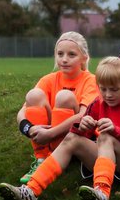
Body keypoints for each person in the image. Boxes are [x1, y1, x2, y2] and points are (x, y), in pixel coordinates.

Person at [0, 53, 120, 200]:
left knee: (106, 136)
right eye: (103, 89)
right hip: (107, 158)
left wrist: (116, 131)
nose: (108, 95)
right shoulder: (98, 102)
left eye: (114, 90)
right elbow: (83, 133)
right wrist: (82, 127)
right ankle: (31, 190)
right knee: (72, 138)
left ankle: (102, 193)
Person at [15, 32, 99, 184]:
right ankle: (41, 158)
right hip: (46, 137)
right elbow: (22, 112)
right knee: (34, 95)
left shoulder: (91, 80)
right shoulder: (49, 79)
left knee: (64, 96)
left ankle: (60, 156)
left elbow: (83, 115)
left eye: (71, 54)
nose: (64, 59)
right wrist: (29, 128)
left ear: (84, 58)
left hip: (78, 137)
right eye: (60, 54)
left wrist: (51, 133)